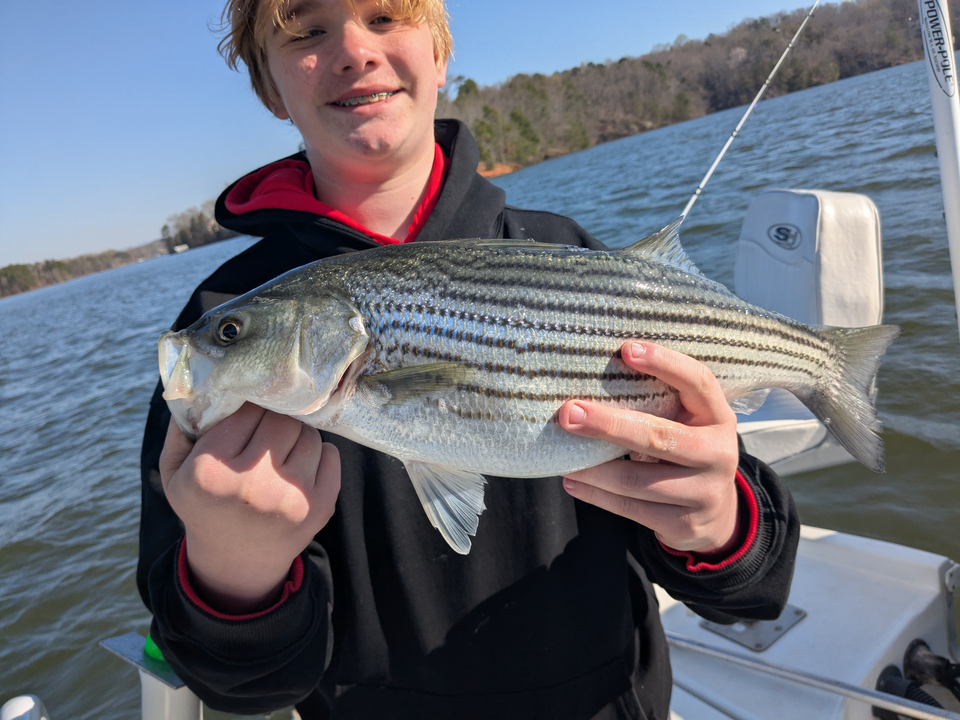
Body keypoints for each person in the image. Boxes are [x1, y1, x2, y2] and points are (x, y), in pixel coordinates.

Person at [137, 1, 800, 718]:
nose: (355, 51)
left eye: (385, 16)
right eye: (306, 29)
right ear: (270, 86)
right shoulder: (222, 320)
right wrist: (234, 569)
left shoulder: (568, 255)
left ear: (441, 54)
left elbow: (751, 592)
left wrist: (717, 520)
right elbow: (237, 685)